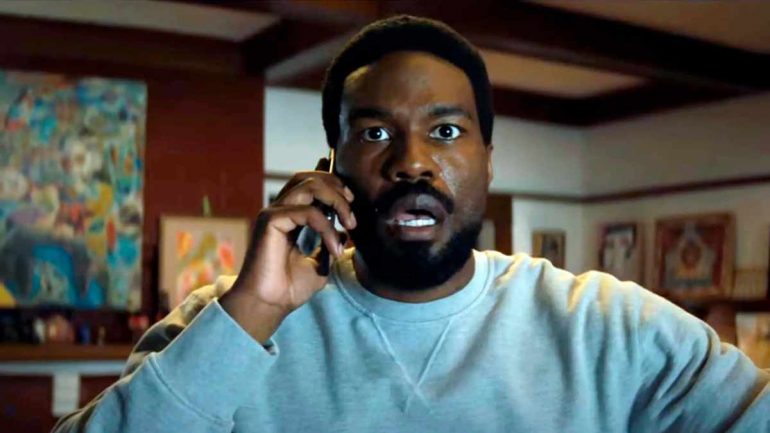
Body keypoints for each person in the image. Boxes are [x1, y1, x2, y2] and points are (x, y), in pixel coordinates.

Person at [54, 16, 769, 433]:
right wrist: (250, 314)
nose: (411, 162)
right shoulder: (225, 322)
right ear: (329, 165)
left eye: (447, 131)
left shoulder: (606, 328)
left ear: (489, 162)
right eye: (373, 134)